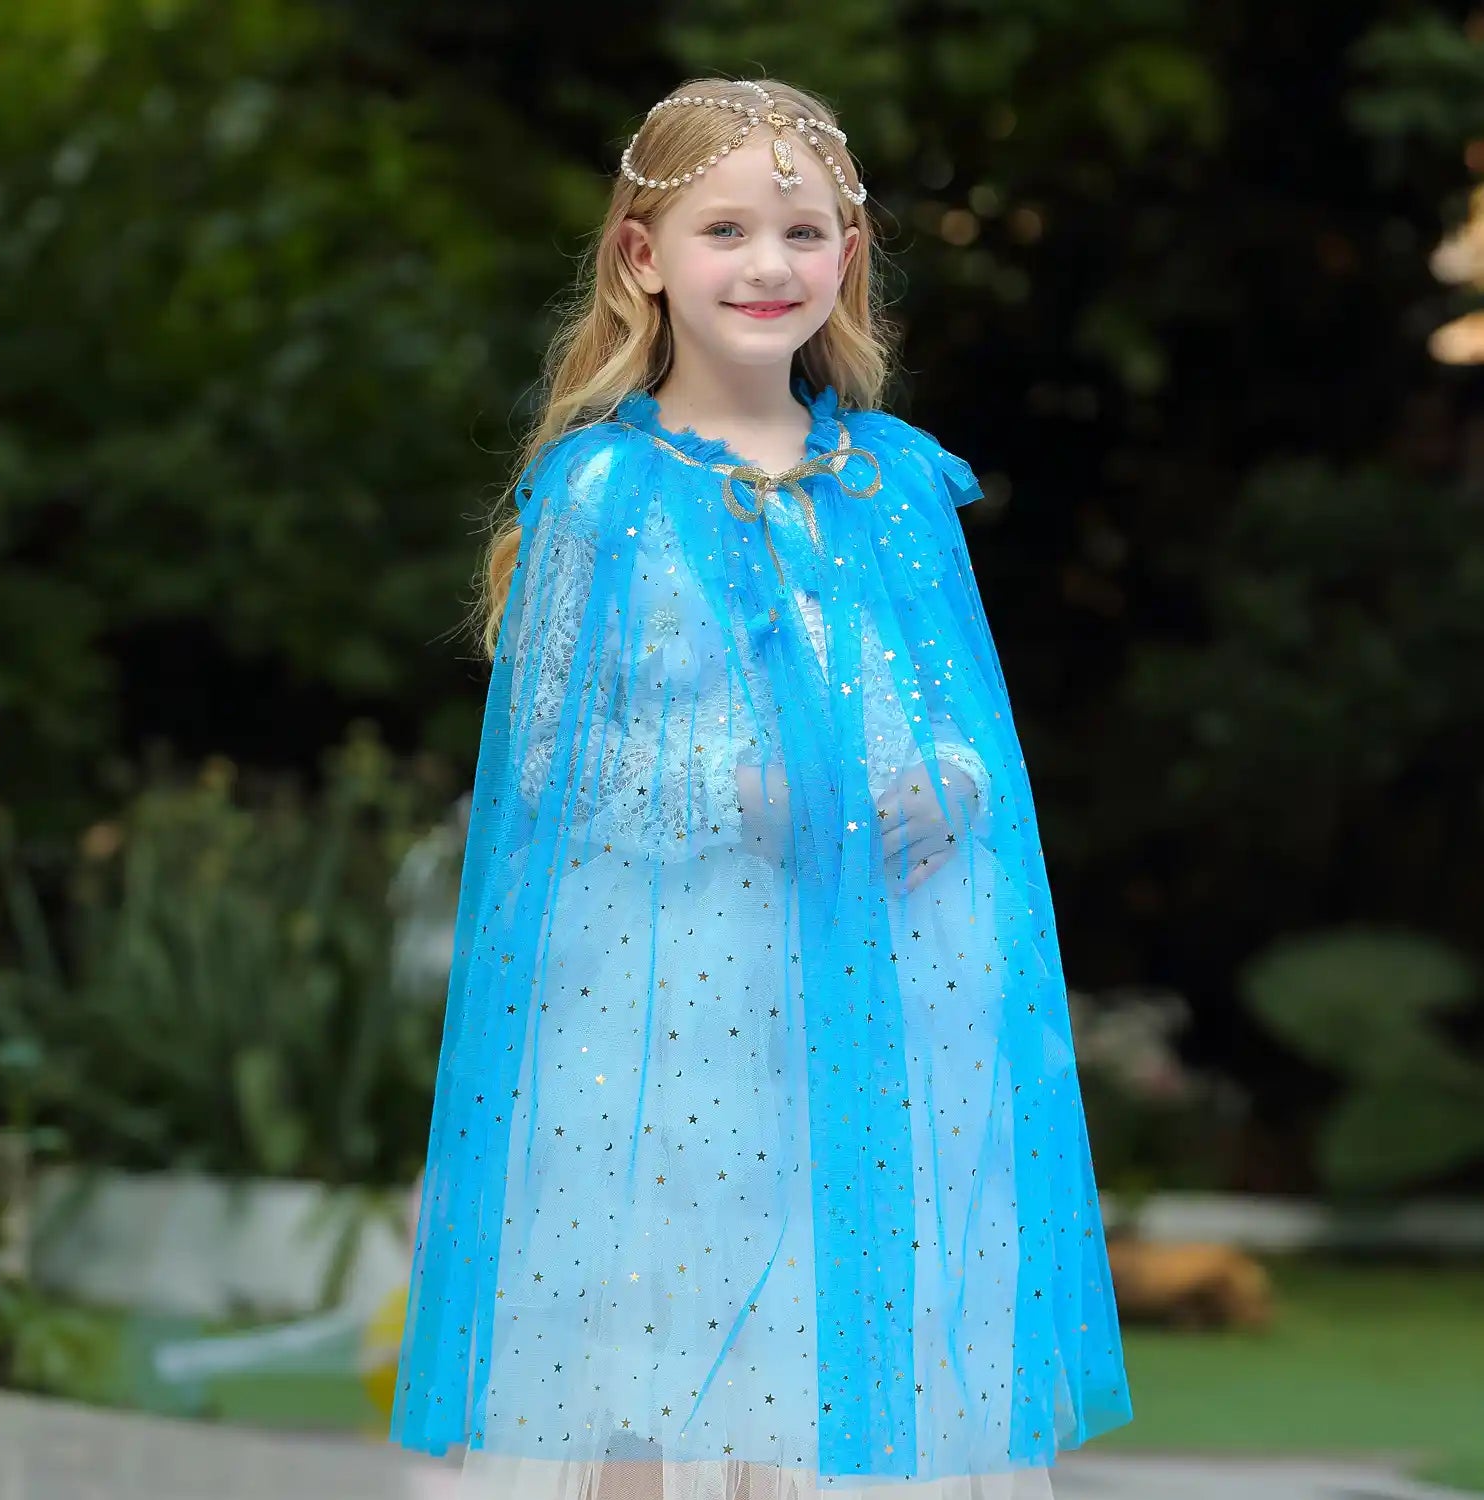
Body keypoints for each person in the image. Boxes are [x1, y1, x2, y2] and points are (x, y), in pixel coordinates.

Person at [390, 75, 1132, 1500]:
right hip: (675, 1001)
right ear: (642, 258)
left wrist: (956, 783)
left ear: (847, 258)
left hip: (883, 992)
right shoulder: (600, 495)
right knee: (673, 1326)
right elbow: (547, 755)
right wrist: (726, 785)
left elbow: (953, 704)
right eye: (724, 228)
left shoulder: (895, 482)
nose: (766, 265)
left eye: (802, 231)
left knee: (855, 1307)